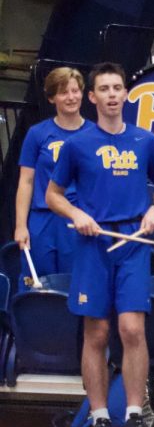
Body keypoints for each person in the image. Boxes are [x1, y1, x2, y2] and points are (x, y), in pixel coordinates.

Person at [45, 63, 154, 427]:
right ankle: (99, 418)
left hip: (132, 244)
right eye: (105, 88)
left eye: (118, 87)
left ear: (126, 94)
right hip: (92, 244)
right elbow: (52, 195)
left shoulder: (144, 140)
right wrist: (77, 213)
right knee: (96, 333)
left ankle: (134, 416)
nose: (113, 94)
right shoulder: (77, 144)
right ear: (92, 97)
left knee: (132, 329)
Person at [14, 67, 91, 292]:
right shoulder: (37, 134)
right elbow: (25, 182)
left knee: (74, 284)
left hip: (77, 218)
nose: (71, 97)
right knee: (38, 285)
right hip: (41, 220)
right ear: (51, 98)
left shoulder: (94, 134)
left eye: (75, 91)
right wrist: (21, 225)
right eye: (63, 92)